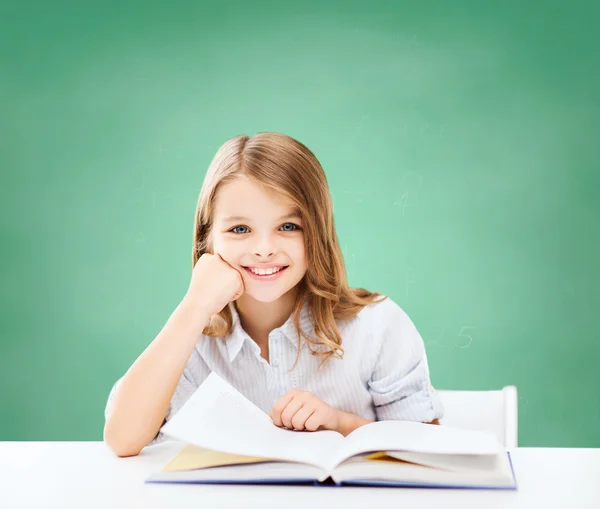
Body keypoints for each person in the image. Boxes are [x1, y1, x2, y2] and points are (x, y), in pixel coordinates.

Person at [103, 132, 443, 457]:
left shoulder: (377, 326)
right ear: (208, 238)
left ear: (318, 233)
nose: (264, 249)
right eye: (240, 229)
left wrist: (339, 423)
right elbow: (122, 439)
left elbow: (431, 452)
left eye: (288, 227)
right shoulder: (190, 342)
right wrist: (195, 305)